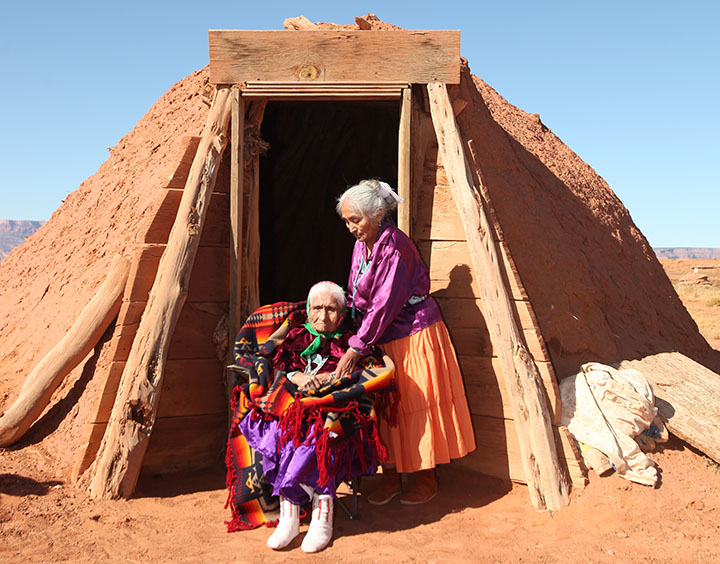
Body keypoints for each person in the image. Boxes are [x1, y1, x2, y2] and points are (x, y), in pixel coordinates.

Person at [334, 178, 476, 505]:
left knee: (416, 404)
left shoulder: (396, 247)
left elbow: (386, 301)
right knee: (386, 409)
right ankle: (392, 475)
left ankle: (426, 476)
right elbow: (359, 293)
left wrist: (357, 345)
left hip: (413, 332)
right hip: (379, 335)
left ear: (378, 213)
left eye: (356, 220)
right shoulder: (361, 245)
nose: (351, 228)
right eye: (346, 221)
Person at [237, 281, 390, 553]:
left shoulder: (351, 341)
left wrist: (329, 379)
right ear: (308, 310)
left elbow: (368, 373)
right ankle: (290, 515)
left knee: (319, 433)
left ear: (342, 314)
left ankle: (322, 514)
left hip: (335, 404)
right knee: (280, 426)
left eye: (331, 309)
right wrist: (298, 377)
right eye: (317, 308)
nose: (323, 315)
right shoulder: (295, 334)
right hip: (296, 401)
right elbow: (278, 365)